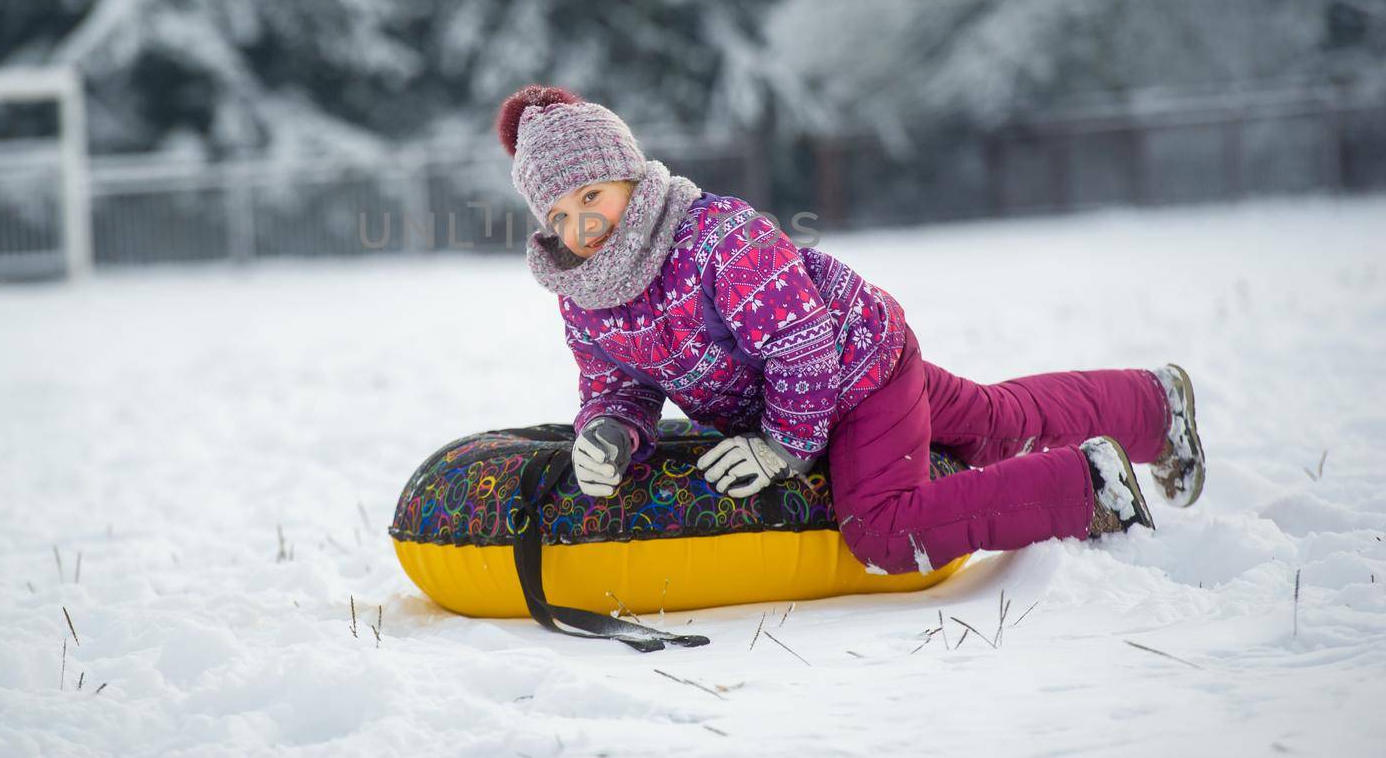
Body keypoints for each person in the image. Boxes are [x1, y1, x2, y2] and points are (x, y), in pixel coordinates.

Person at [496, 84, 1207, 574]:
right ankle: (1153, 404)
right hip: (837, 378)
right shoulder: (584, 295)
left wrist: (782, 448)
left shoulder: (714, 238)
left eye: (591, 194)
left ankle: (1089, 486)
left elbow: (801, 347)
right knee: (990, 422)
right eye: (559, 214)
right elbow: (614, 383)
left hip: (858, 373)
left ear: (628, 175)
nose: (581, 223)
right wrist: (609, 431)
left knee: (883, 528)